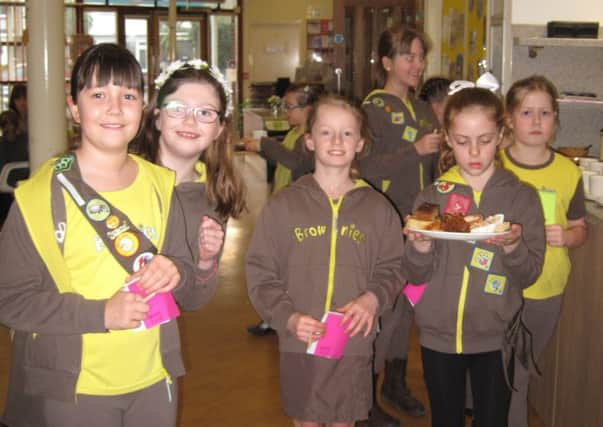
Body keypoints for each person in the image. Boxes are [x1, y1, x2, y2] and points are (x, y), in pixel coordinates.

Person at [0, 43, 210, 427]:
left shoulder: (162, 187)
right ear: (74, 108)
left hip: (154, 380)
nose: (114, 108)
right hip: (74, 389)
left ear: (143, 107)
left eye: (128, 95)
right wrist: (102, 314)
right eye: (98, 94)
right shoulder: (37, 199)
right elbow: (10, 300)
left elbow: (186, 279)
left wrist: (176, 270)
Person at [246, 95, 405, 427]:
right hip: (299, 339)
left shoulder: (378, 209)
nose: (336, 141)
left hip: (353, 341)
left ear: (360, 143)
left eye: (347, 134)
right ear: (309, 140)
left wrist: (372, 299)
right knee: (306, 421)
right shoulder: (283, 206)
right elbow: (261, 272)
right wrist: (287, 317)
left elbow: (394, 267)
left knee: (343, 420)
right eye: (326, 132)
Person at [403, 87, 546, 427]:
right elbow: (415, 274)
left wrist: (512, 246)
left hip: (497, 335)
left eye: (484, 139)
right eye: (463, 140)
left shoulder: (521, 198)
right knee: (446, 419)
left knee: (493, 419)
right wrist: (421, 246)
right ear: (448, 140)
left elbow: (529, 274)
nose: (474, 151)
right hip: (438, 333)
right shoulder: (432, 196)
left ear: (500, 135)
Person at [358, 25, 442, 425]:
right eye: (408, 56)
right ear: (387, 62)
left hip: (421, 223)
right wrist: (415, 150)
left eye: (421, 56)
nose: (417, 64)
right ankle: (364, 399)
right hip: (386, 220)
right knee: (383, 308)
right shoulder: (373, 108)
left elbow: (434, 168)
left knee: (407, 307)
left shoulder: (425, 109)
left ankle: (394, 382)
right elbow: (366, 166)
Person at [501, 75, 587, 427]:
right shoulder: (494, 166)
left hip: (546, 289)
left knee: (519, 372)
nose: (536, 122)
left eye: (545, 113)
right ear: (509, 119)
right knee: (498, 370)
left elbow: (580, 228)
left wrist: (567, 237)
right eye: (526, 113)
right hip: (498, 285)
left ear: (555, 119)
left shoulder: (568, 171)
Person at [134, 58, 246, 289]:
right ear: (157, 118)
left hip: (157, 323)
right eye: (177, 108)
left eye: (205, 112)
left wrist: (205, 261)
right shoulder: (124, 175)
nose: (189, 120)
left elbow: (195, 298)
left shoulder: (215, 196)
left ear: (219, 129)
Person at [243, 83, 320, 336]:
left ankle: (287, 315)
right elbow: (283, 158)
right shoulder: (295, 132)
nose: (286, 112)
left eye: (290, 107)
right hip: (283, 205)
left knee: (290, 266)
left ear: (308, 108)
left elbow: (295, 161)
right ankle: (274, 313)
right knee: (276, 264)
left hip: (299, 210)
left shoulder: (311, 138)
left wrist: (263, 144)